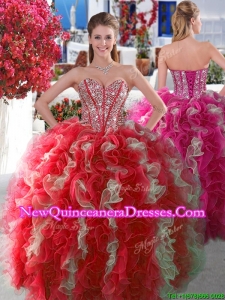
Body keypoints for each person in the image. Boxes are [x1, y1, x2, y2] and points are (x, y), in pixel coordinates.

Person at [0, 12, 205, 300]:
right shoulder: (78, 74)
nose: (103, 42)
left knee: (123, 219)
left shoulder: (129, 72)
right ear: (90, 38)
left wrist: (141, 135)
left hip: (121, 148)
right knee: (78, 217)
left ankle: (119, 281)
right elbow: (42, 102)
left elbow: (160, 107)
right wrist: (61, 132)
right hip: (83, 147)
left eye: (108, 37)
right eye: (97, 37)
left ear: (115, 39)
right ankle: (84, 281)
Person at [127, 1, 225, 243]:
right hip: (204, 109)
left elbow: (160, 91)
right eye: (199, 18)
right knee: (206, 164)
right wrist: (219, 97)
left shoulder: (166, 52)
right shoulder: (207, 47)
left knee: (176, 164)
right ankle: (203, 216)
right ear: (192, 21)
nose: (201, 23)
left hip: (175, 109)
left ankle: (181, 217)